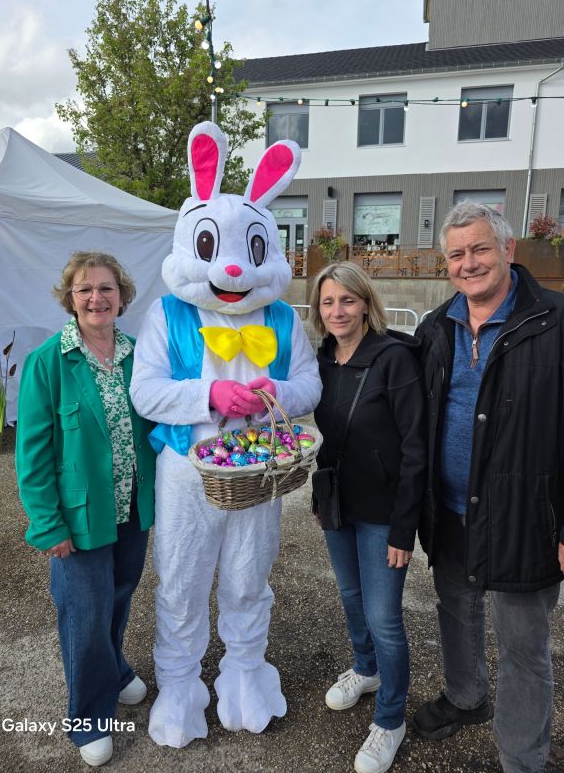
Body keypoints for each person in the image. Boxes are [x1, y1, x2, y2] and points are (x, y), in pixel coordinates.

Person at [130, 121, 321, 748]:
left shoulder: (282, 318)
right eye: (212, 247)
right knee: (181, 580)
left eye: (249, 251)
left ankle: (244, 671)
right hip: (189, 470)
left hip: (258, 470)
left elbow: (308, 385)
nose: (233, 267)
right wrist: (208, 395)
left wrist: (279, 396)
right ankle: (181, 684)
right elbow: (146, 391)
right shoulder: (168, 312)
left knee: (248, 576)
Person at [412, 202, 564, 773]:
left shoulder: (553, 322)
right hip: (449, 510)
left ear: (508, 250)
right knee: (456, 610)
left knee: (524, 646)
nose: (468, 263)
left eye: (479, 249)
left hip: (525, 516)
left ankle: (522, 759)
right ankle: (465, 695)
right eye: (457, 254)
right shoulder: (436, 328)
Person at [15, 251, 155, 767]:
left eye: (106, 288)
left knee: (118, 598)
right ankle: (88, 717)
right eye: (84, 289)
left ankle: (114, 670)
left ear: (122, 295)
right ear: (69, 298)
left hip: (130, 509)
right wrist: (47, 523)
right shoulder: (49, 361)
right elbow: (33, 452)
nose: (96, 298)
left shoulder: (140, 354)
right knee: (84, 613)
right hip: (77, 516)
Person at [310, 261, 426, 773]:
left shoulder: (395, 359)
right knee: (351, 596)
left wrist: (405, 526)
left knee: (384, 616)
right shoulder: (322, 358)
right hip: (338, 502)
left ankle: (391, 718)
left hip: (384, 512)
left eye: (347, 301)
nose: (338, 311)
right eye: (328, 302)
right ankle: (365, 669)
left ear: (366, 304)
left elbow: (416, 448)